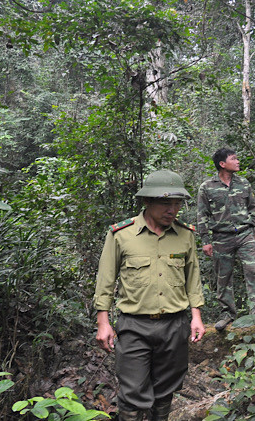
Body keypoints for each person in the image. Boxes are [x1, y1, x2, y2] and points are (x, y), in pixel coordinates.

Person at [93, 169, 206, 421]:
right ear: (147, 201)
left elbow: (192, 278)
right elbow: (106, 280)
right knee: (132, 393)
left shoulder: (185, 234)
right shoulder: (122, 235)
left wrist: (196, 316)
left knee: (166, 392)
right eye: (166, 203)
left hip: (174, 325)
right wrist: (103, 322)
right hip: (134, 326)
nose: (172, 210)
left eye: (177, 204)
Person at [197, 148, 255, 332]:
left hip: (245, 234)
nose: (237, 161)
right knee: (223, 276)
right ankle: (227, 313)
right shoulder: (207, 187)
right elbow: (202, 215)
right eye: (233, 159)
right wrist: (205, 240)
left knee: (253, 271)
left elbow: (254, 209)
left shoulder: (243, 183)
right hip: (221, 237)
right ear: (222, 164)